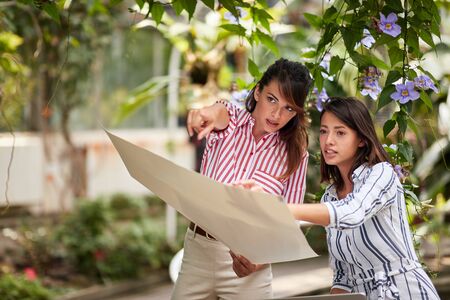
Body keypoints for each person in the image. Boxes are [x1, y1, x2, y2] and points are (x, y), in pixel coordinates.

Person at [171, 58, 312, 300]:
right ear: (257, 91)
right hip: (198, 254)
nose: (277, 114)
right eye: (272, 99)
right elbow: (217, 112)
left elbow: (289, 221)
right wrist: (203, 113)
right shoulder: (232, 121)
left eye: (289, 108)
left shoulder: (295, 155)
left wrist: (261, 260)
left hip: (249, 266)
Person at [281, 97, 439, 299]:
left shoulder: (382, 174)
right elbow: (343, 276)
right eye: (323, 131)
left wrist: (282, 208)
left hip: (406, 291)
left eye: (340, 132)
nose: (328, 140)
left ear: (362, 139)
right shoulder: (329, 198)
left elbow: (352, 212)